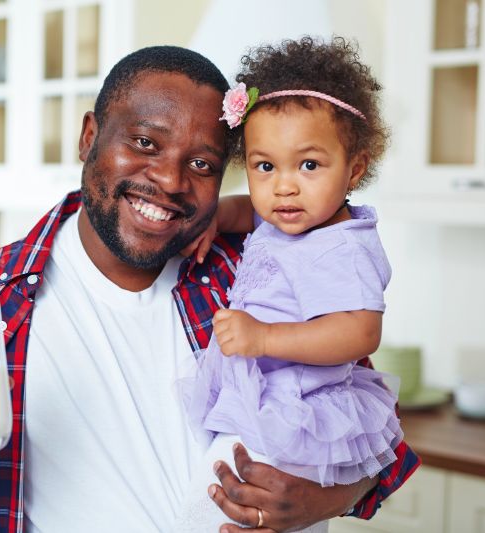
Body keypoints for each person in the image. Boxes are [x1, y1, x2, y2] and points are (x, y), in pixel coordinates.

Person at [0, 45, 419, 532]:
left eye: (203, 164)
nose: (168, 180)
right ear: (90, 138)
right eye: (145, 143)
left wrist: (327, 498)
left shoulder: (257, 273)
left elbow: (371, 436)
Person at [174, 37, 405, 532]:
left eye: (309, 165)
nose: (284, 186)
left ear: (355, 169)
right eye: (265, 166)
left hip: (297, 414)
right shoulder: (287, 220)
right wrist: (216, 216)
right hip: (264, 404)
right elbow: (248, 212)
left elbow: (360, 332)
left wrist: (265, 338)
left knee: (213, 511)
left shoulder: (343, 245)